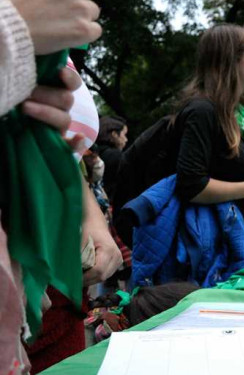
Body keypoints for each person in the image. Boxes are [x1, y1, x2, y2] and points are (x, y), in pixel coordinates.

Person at [1, 0, 106, 373]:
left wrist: (92, 217)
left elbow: (63, 148)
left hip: (52, 279)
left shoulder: (52, 32)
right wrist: (10, 33)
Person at [168, 24, 244, 262]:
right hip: (208, 255)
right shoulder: (202, 111)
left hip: (229, 247)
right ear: (232, 60)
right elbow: (191, 184)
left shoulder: (237, 115)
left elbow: (221, 167)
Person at [95, 116, 128, 198]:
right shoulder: (116, 156)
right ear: (114, 134)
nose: (126, 139)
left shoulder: (93, 152)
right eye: (124, 134)